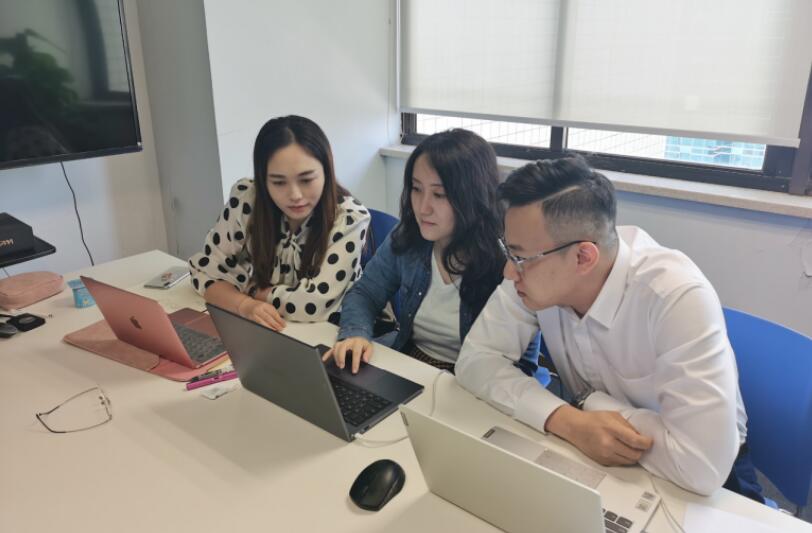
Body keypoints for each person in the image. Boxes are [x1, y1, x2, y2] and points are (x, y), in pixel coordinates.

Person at [455, 155, 762, 500]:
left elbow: (702, 466)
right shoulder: (536, 272)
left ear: (583, 257)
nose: (509, 272)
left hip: (706, 486)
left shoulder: (674, 295)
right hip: (591, 452)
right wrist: (565, 419)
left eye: (520, 258)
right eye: (509, 253)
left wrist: (591, 403)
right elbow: (476, 359)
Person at [324, 129, 514, 374]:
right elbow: (365, 293)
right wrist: (356, 333)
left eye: (439, 194)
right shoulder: (408, 238)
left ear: (474, 196)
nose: (423, 208)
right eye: (416, 188)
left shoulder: (506, 261)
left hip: (470, 379)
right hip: (410, 361)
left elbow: (519, 362)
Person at [189, 115, 370, 329]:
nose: (295, 195)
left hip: (335, 333)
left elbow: (312, 305)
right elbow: (204, 272)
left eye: (306, 180)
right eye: (278, 182)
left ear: (326, 172)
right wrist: (245, 305)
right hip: (269, 329)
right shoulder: (247, 198)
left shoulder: (349, 218)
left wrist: (251, 290)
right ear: (263, 179)